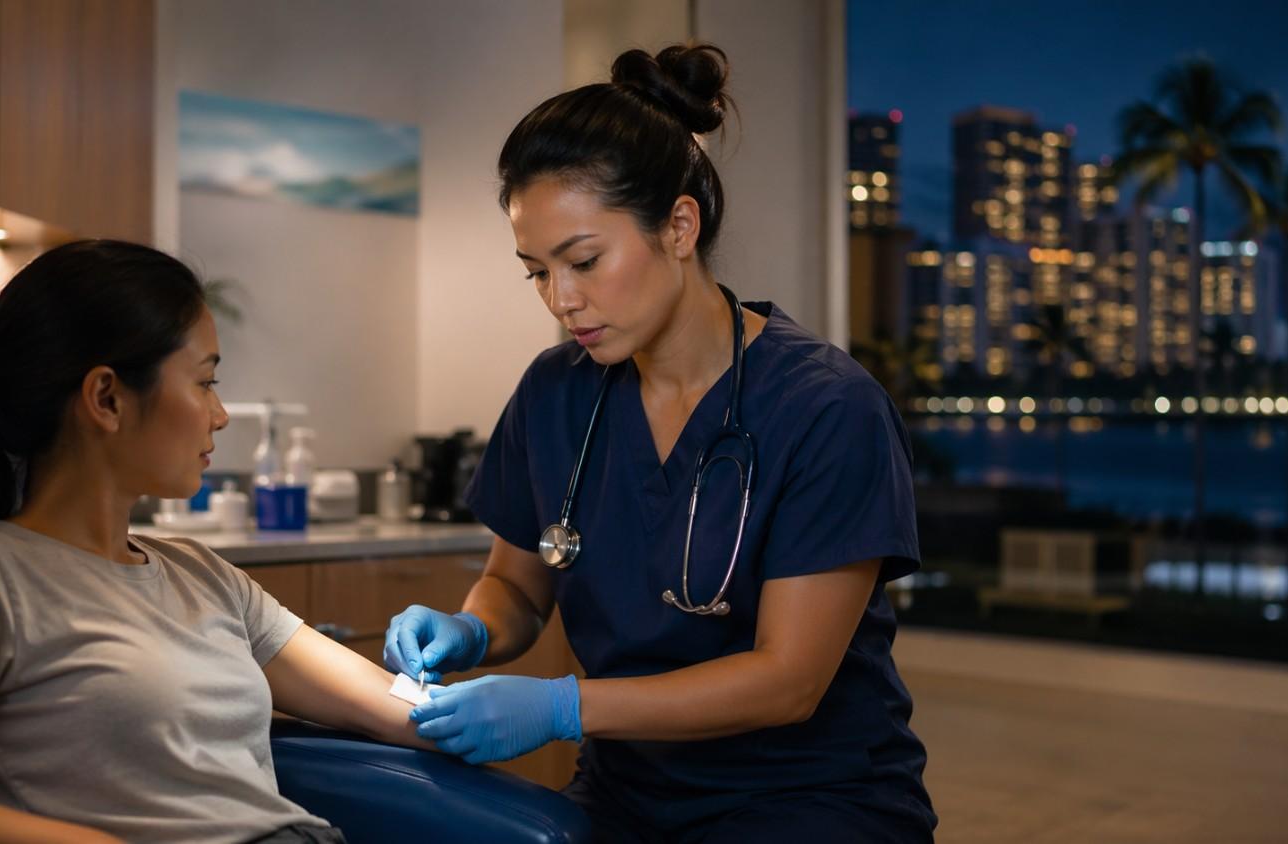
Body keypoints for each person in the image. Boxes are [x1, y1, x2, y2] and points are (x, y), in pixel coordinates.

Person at [385, 45, 937, 841]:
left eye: (584, 261)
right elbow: (515, 587)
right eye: (534, 272)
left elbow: (789, 683)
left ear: (680, 226)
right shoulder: (556, 391)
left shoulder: (828, 407)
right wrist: (469, 629)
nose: (561, 300)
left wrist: (562, 707)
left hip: (809, 800)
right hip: (625, 795)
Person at [0, 240, 426, 844]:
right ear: (107, 399)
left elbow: (390, 703)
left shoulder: (198, 570)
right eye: (204, 383)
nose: (219, 415)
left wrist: (504, 705)